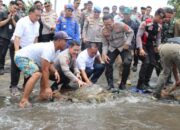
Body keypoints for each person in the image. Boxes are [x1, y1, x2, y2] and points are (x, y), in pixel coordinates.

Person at [14, 31, 70, 108]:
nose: (66, 43)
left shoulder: (56, 50)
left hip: (31, 60)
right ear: (59, 40)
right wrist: (47, 87)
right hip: (20, 57)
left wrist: (55, 71)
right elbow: (45, 69)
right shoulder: (49, 48)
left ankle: (42, 94)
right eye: (65, 41)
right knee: (37, 74)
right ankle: (24, 100)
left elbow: (50, 64)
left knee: (46, 72)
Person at [9, 6, 41, 96]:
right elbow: (17, 37)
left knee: (29, 67)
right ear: (30, 14)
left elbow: (35, 38)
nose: (38, 18)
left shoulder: (37, 24)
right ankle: (13, 86)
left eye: (39, 16)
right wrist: (17, 52)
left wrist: (35, 50)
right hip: (17, 45)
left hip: (28, 49)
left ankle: (25, 86)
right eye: (36, 15)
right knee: (16, 66)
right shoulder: (22, 21)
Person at [136, 8, 165, 92]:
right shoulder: (145, 23)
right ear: (155, 15)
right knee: (146, 61)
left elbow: (158, 38)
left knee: (153, 62)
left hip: (150, 45)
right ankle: (140, 84)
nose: (161, 20)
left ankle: (146, 82)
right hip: (142, 44)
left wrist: (158, 47)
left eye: (162, 19)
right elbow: (138, 36)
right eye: (160, 18)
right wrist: (140, 49)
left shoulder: (159, 26)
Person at [102, 14, 134, 90]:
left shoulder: (120, 25)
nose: (108, 26)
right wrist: (104, 54)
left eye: (109, 24)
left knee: (127, 62)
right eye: (106, 25)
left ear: (113, 21)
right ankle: (110, 84)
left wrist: (127, 43)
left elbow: (131, 32)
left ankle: (123, 84)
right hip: (112, 47)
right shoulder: (103, 31)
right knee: (108, 62)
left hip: (123, 45)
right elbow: (105, 44)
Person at [0, 1, 19, 75]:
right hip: (3, 36)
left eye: (16, 9)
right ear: (10, 6)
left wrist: (13, 19)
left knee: (12, 54)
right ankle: (1, 67)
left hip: (12, 38)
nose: (15, 10)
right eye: (14, 8)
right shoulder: (2, 13)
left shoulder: (16, 16)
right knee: (2, 54)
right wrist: (8, 19)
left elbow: (18, 27)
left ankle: (13, 68)